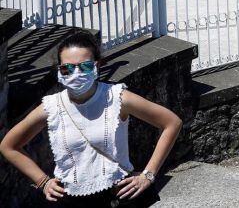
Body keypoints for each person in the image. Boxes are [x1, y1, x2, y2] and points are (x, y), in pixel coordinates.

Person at [1, 30, 182, 206]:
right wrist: (43, 181)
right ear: (59, 70)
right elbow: (9, 146)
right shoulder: (51, 107)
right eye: (68, 68)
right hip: (70, 198)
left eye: (85, 66)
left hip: (118, 194)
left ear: (97, 66)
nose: (77, 73)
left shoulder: (117, 98)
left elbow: (171, 123)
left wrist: (148, 175)